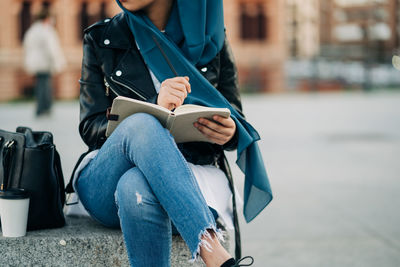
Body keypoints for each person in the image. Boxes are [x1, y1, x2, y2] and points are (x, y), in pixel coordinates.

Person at [66, 0, 272, 266]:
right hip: (106, 182)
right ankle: (213, 252)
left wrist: (231, 132)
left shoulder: (211, 37)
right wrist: (155, 106)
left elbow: (232, 111)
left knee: (136, 185)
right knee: (143, 123)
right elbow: (90, 127)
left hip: (193, 178)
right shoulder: (101, 38)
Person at [23, 8, 65, 117]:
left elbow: (26, 46)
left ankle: (41, 107)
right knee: (45, 85)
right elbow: (52, 49)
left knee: (40, 85)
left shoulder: (32, 30)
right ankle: (45, 108)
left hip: (35, 62)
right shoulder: (47, 30)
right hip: (45, 62)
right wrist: (58, 63)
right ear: (47, 18)